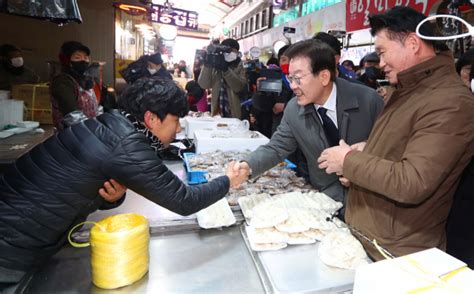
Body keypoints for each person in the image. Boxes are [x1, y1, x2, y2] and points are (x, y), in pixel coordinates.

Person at [0, 77, 246, 289]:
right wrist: (227, 180)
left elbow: (81, 184)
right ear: (151, 118)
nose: (179, 129)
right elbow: (185, 201)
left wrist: (113, 197)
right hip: (13, 242)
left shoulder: (113, 123)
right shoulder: (128, 144)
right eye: (176, 120)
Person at [317, 6, 474, 261]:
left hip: (398, 253)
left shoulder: (451, 101)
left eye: (382, 52)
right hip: (373, 240)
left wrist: (348, 161)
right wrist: (367, 151)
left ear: (413, 43)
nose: (380, 64)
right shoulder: (408, 89)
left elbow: (413, 181)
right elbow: (407, 149)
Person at [238, 39, 383, 207]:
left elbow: (393, 150)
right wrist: (247, 166)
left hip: (370, 201)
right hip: (327, 199)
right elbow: (277, 147)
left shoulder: (368, 100)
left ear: (324, 76)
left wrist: (360, 161)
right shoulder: (294, 109)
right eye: (290, 78)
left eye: (298, 78)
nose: (292, 86)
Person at [50, 41, 116, 130]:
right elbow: (72, 116)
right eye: (77, 57)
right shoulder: (62, 81)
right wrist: (95, 131)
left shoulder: (87, 81)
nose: (83, 61)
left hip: (88, 134)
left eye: (86, 57)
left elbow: (96, 108)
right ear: (66, 60)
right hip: (70, 137)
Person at [198, 38, 247, 118]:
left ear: (237, 53)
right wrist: (207, 65)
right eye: (226, 51)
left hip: (234, 115)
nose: (228, 53)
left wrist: (226, 70)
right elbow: (204, 85)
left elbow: (238, 87)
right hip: (217, 115)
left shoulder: (240, 66)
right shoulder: (216, 65)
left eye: (231, 51)